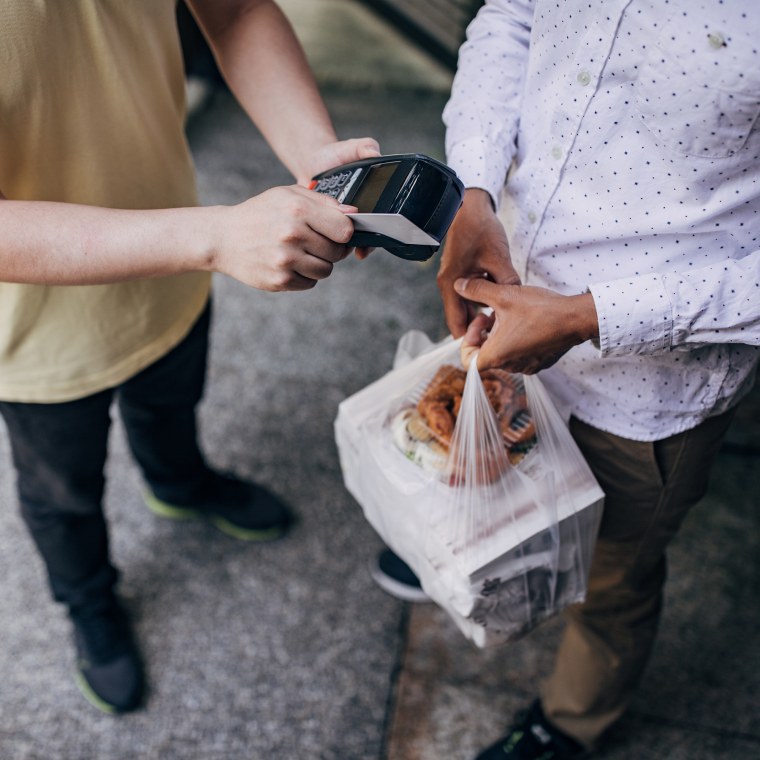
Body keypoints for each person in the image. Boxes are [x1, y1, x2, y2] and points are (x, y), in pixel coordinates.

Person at [370, 1, 760, 758]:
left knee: (613, 576)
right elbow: (511, 16)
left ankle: (572, 723)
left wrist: (593, 316)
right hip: (504, 280)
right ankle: (473, 557)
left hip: (649, 382)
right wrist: (474, 191)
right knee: (480, 473)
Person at [0, 0, 380, 715]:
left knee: (172, 401)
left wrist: (314, 153)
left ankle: (179, 484)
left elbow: (234, 12)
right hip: (31, 333)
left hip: (171, 260)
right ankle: (89, 603)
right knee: (62, 494)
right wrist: (212, 237)